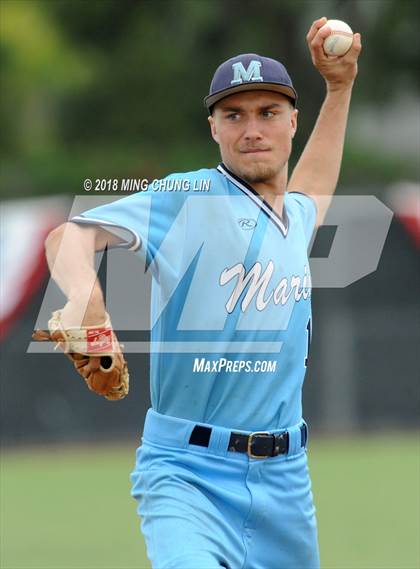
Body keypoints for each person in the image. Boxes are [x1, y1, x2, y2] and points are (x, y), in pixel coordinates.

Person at [44, 17, 361, 569]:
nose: (252, 129)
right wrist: (84, 301)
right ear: (213, 127)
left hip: (285, 482)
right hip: (187, 472)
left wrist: (339, 87)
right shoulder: (187, 196)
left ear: (292, 123)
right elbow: (69, 235)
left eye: (267, 113)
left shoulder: (296, 216)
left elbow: (315, 182)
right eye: (233, 115)